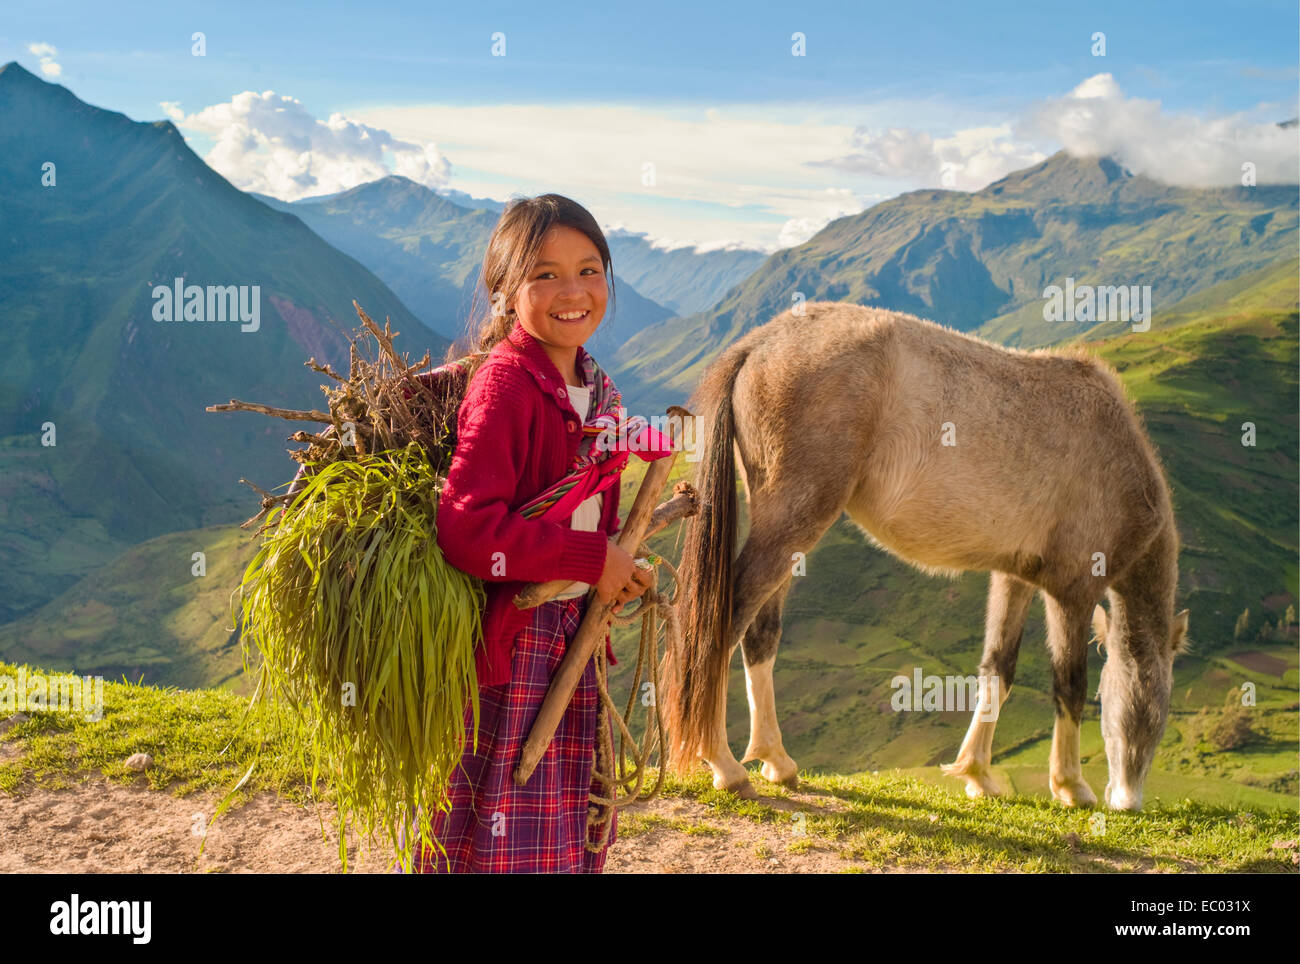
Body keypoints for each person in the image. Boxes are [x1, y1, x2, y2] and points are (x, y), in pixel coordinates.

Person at [414, 194, 674, 873]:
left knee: (559, 836)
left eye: (589, 270)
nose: (573, 292)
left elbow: (583, 512)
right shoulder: (506, 386)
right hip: (513, 656)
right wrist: (592, 558)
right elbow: (467, 531)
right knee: (496, 846)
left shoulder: (590, 383)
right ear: (504, 292)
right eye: (545, 275)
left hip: (567, 638)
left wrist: (613, 570)